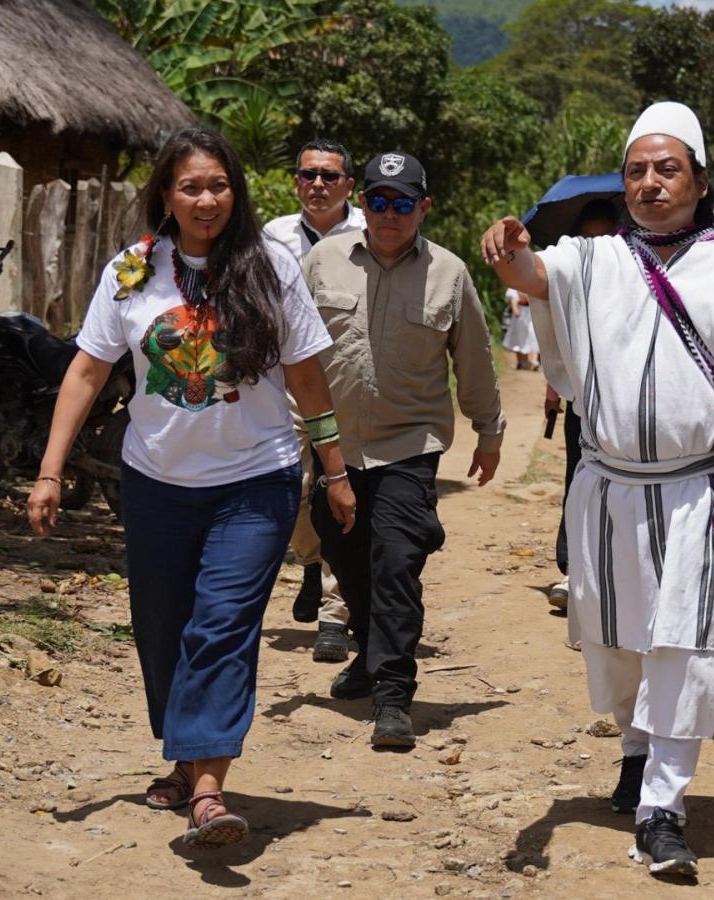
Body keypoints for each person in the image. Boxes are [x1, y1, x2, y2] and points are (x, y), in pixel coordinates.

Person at [482, 101, 714, 877]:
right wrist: (505, 245)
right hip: (607, 491)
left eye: (668, 170)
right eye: (636, 170)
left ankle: (663, 806)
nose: (650, 184)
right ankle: (636, 751)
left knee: (688, 646)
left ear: (702, 183)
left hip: (701, 494)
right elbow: (531, 275)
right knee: (623, 641)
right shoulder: (593, 260)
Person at [25, 128, 356, 849]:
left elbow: (305, 374)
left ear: (235, 192)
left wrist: (333, 468)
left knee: (223, 626)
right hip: (157, 484)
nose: (206, 200)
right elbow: (86, 370)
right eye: (190, 187)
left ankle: (209, 789)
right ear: (166, 197)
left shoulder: (270, 266)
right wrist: (50, 470)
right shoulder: (135, 270)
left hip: (255, 481)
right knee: (163, 628)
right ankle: (184, 756)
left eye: (218, 186)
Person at [303, 151, 506, 748]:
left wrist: (488, 432)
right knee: (341, 546)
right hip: (332, 444)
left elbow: (474, 359)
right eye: (377, 201)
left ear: (423, 206)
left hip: (408, 444)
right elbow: (296, 355)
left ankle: (393, 693)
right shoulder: (322, 261)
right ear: (360, 201)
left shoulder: (450, 273)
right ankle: (369, 651)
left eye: (401, 203)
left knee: (395, 562)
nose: (388, 214)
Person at [263, 139, 365, 663]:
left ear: (349, 184)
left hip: (345, 382)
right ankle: (309, 561)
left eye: (329, 175)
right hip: (283, 387)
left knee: (339, 489)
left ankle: (333, 612)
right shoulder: (272, 237)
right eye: (308, 175)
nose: (318, 184)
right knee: (296, 493)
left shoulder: (371, 234)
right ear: (296, 181)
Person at [547, 198, 620, 624]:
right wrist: (552, 387)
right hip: (582, 400)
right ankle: (574, 567)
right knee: (579, 477)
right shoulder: (571, 281)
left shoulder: (639, 279)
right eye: (588, 237)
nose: (596, 244)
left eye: (605, 236)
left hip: (627, 404)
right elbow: (558, 340)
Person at [503, 287, 540, 370]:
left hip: (531, 312)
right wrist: (515, 309)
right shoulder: (514, 287)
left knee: (533, 335)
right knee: (519, 337)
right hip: (520, 313)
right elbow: (513, 299)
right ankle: (521, 361)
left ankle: (534, 360)